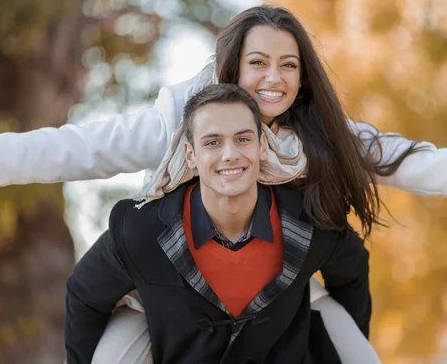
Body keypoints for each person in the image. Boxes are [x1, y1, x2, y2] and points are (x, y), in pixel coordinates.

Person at [0, 5, 447, 361]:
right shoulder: (181, 127)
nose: (273, 78)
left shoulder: (319, 138)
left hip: (280, 282)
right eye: (258, 63)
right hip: (163, 290)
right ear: (231, 66)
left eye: (289, 64)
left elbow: (420, 163)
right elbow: (70, 150)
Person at [65, 83, 371, 364]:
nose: (230, 155)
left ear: (262, 146)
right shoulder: (140, 230)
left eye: (243, 139)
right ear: (190, 154)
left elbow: (352, 274)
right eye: (212, 142)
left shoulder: (310, 220)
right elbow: (83, 295)